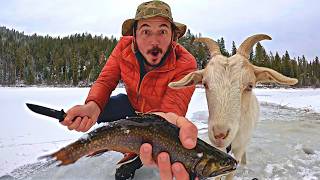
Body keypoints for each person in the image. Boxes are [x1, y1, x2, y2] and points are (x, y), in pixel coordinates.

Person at [61, 1, 198, 180]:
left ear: (173, 36)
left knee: (131, 164)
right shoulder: (123, 48)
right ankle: (106, 141)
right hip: (131, 106)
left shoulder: (186, 63)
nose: (154, 41)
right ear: (134, 34)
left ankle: (131, 162)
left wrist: (162, 129)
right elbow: (106, 80)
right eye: (146, 31)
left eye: (163, 31)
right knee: (103, 108)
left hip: (158, 120)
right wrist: (92, 106)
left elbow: (173, 107)